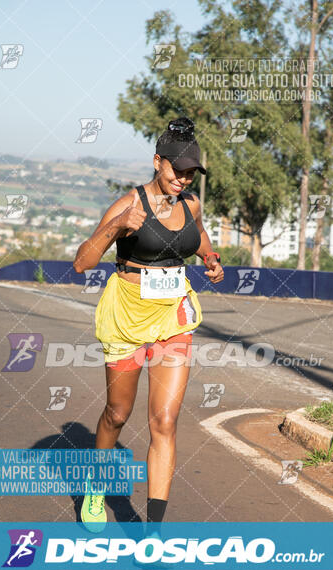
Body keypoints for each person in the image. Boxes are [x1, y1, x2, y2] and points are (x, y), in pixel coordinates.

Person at [73, 116, 224, 539]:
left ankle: (153, 532)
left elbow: (201, 243)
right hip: (127, 315)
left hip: (172, 318)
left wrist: (211, 263)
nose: (184, 178)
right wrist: (117, 227)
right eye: (177, 170)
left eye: (191, 172)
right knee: (117, 414)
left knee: (164, 420)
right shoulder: (129, 204)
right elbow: (83, 262)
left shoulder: (191, 204)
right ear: (158, 162)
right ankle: (95, 488)